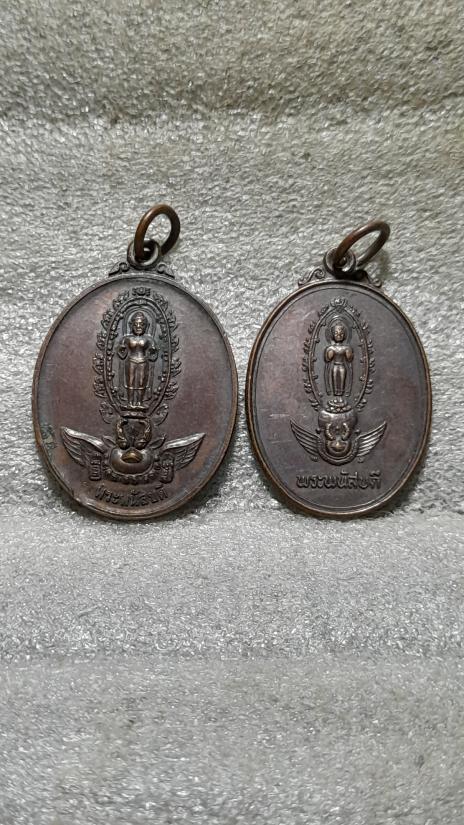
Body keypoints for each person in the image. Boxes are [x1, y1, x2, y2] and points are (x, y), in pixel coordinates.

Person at [117, 312, 158, 407]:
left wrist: (152, 351)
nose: (138, 327)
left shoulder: (149, 340)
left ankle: (139, 402)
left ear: (146, 326)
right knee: (130, 381)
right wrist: (121, 349)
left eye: (141, 324)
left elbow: (153, 357)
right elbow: (121, 355)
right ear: (131, 325)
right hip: (131, 361)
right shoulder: (126, 339)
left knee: (141, 382)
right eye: (136, 324)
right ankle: (130, 402)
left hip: (143, 361)